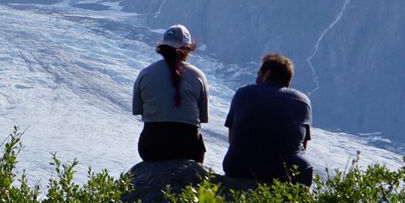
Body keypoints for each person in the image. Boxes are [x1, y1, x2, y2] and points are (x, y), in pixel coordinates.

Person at [222, 53, 315, 185]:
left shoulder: (244, 94)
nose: (257, 77)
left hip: (239, 166)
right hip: (288, 174)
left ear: (267, 74)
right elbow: (302, 145)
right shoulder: (302, 101)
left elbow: (233, 138)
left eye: (259, 73)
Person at [131, 24, 211, 162]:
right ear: (187, 49)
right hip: (188, 148)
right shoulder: (198, 76)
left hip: (151, 147)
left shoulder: (145, 73)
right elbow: (202, 117)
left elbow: (138, 110)